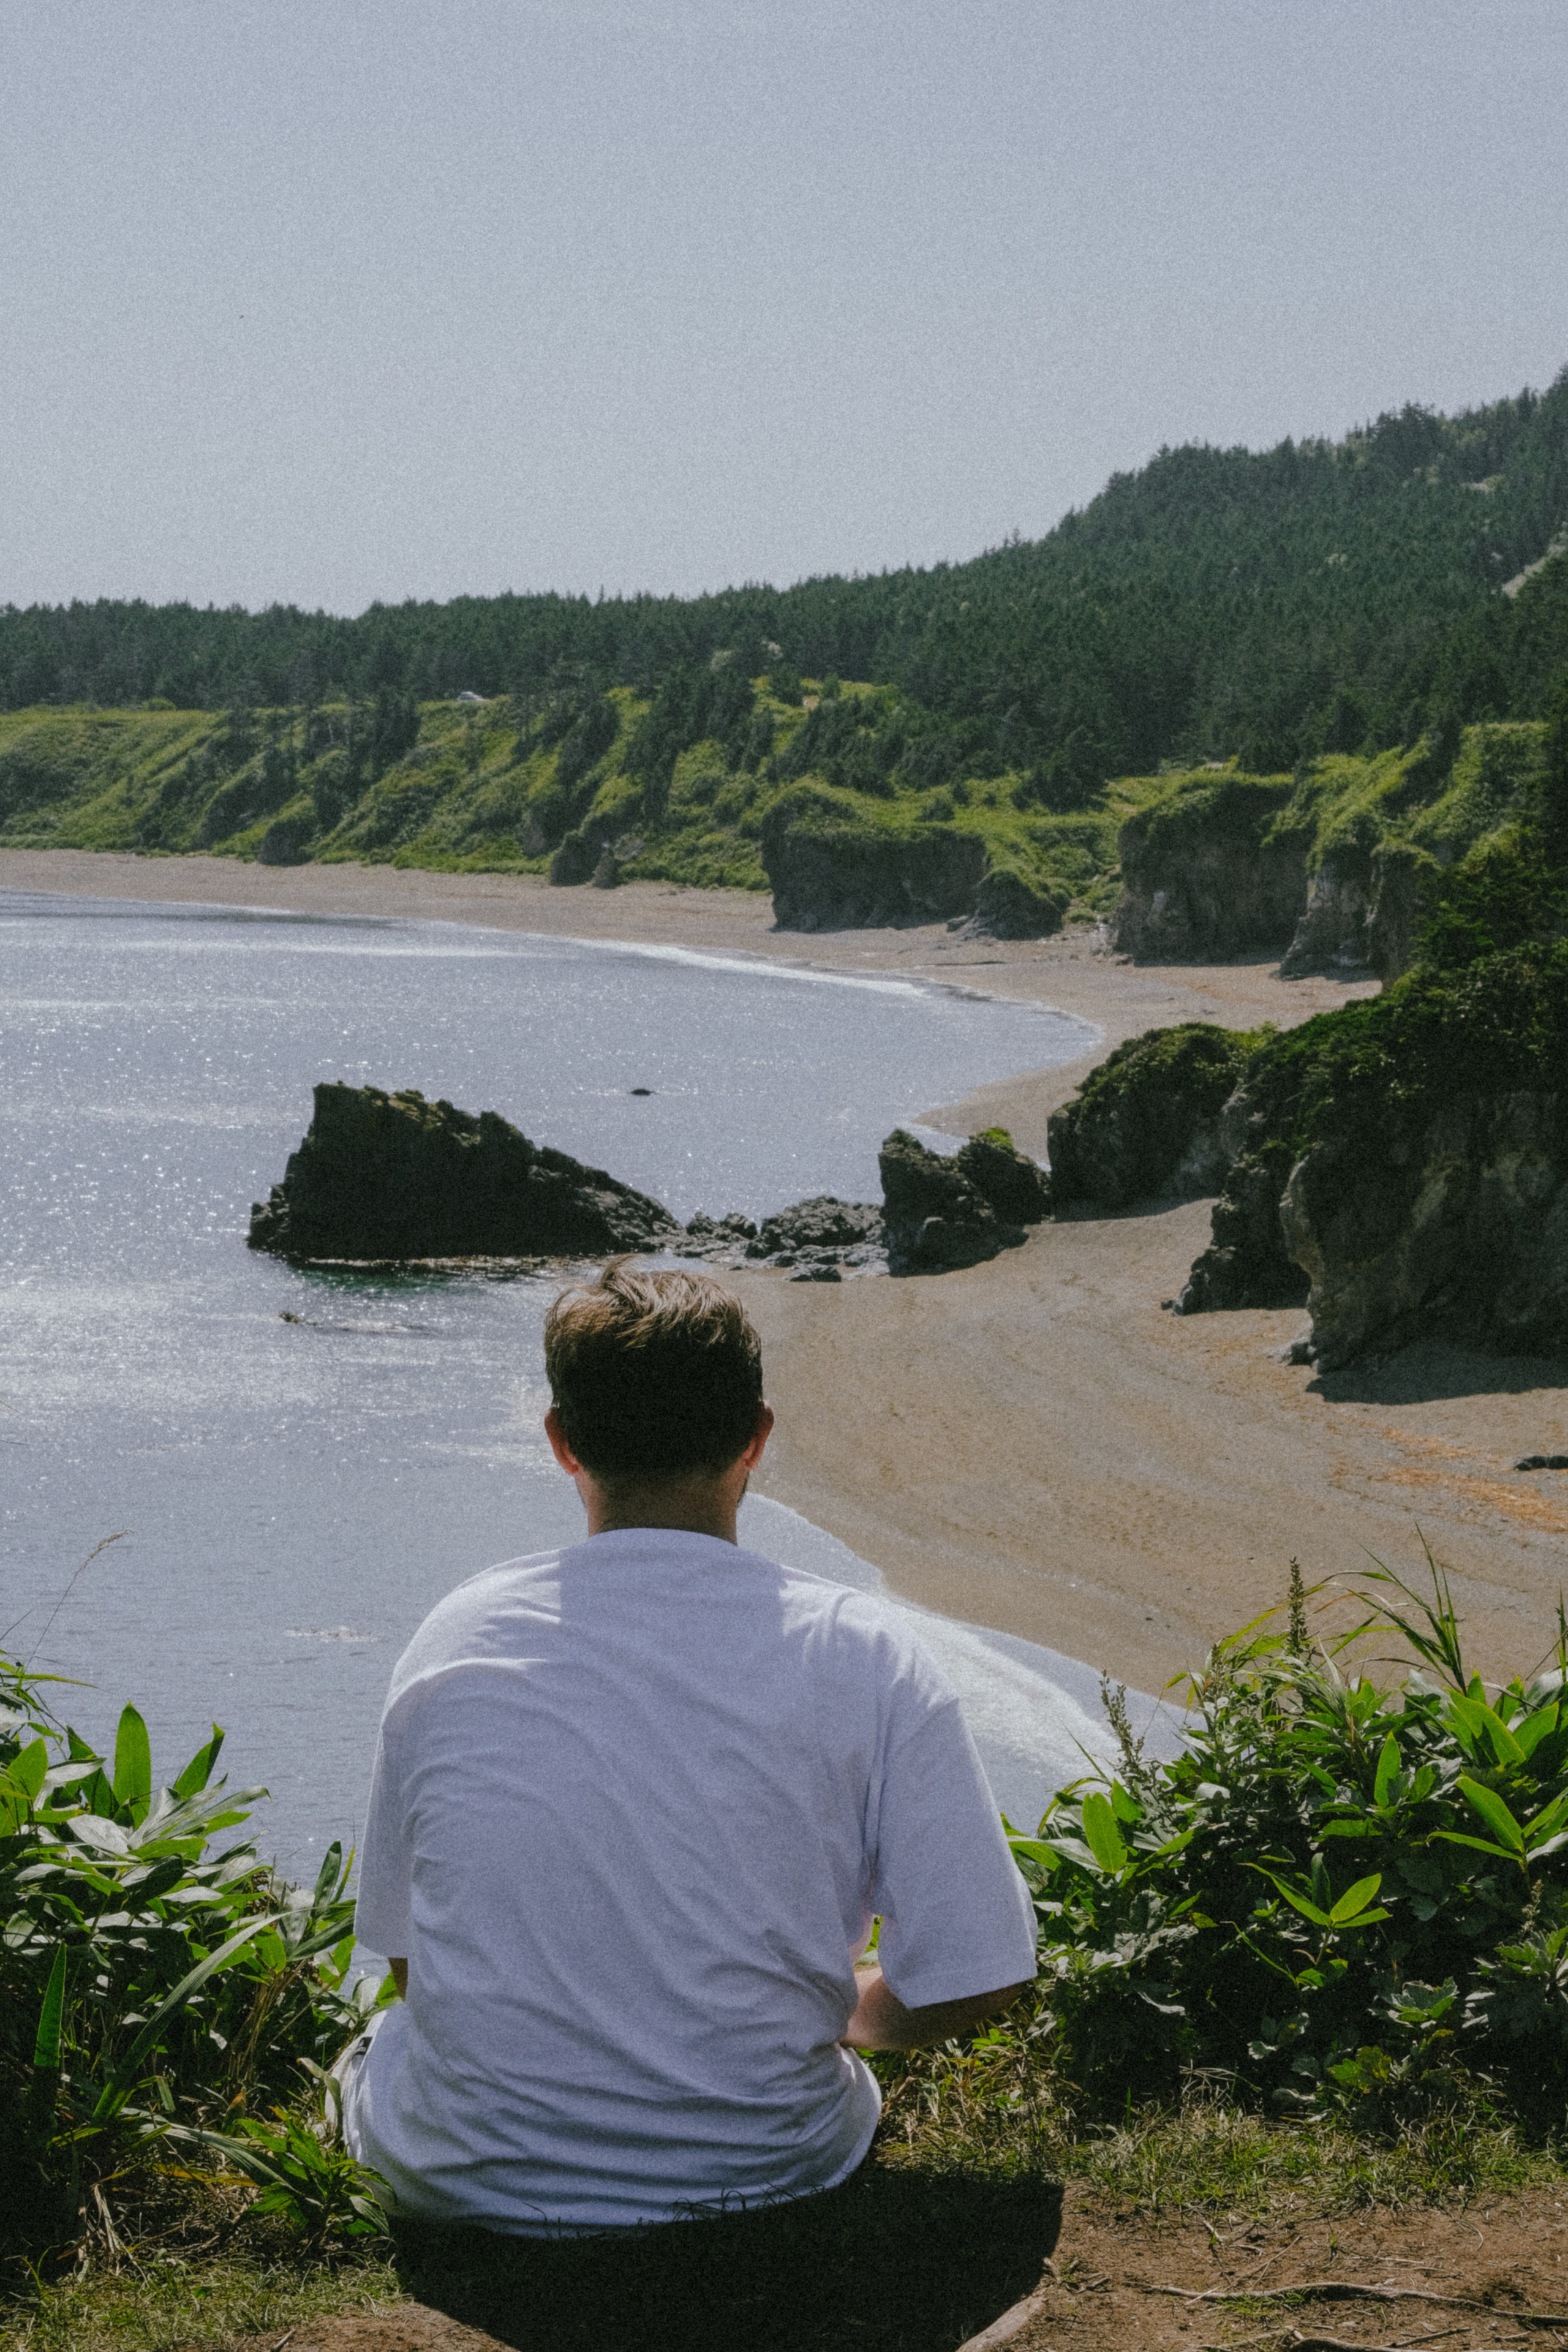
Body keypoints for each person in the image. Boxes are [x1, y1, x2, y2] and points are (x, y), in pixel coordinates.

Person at [341, 1262, 1035, 2234]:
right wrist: (850, 2014)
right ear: (756, 1436)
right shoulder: (862, 1652)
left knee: (372, 2052)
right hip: (770, 2167)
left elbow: (411, 1963)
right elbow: (983, 1970)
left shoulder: (458, 1635)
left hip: (471, 2179)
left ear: (561, 1441)